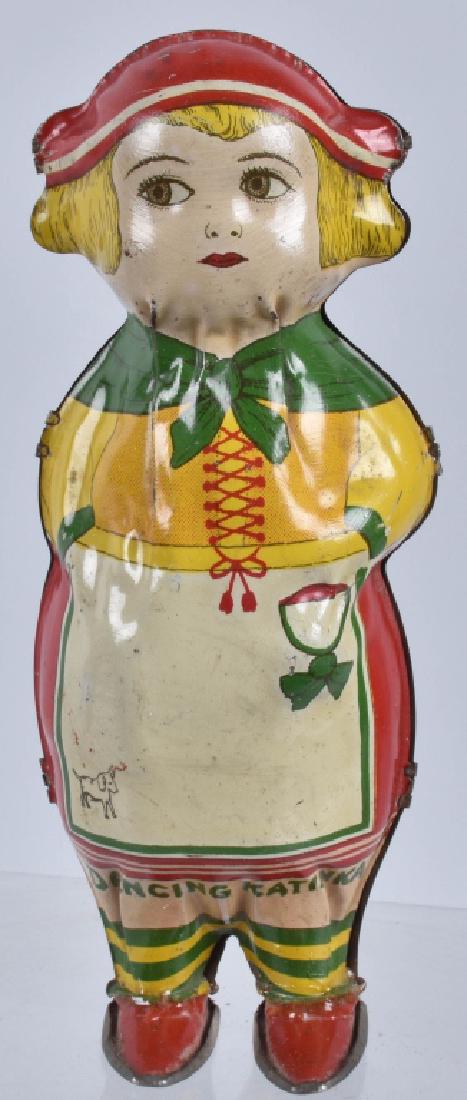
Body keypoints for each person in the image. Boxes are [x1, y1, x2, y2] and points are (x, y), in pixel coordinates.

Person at [31, 30, 437, 1090]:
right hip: (137, 670)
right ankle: (153, 981)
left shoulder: (339, 389)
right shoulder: (109, 393)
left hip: (294, 658)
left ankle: (310, 982)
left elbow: (398, 474)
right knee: (135, 824)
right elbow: (65, 495)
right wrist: (98, 550)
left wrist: (353, 537)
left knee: (305, 824)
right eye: (163, 190)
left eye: (261, 184)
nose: (218, 223)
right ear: (100, 219)